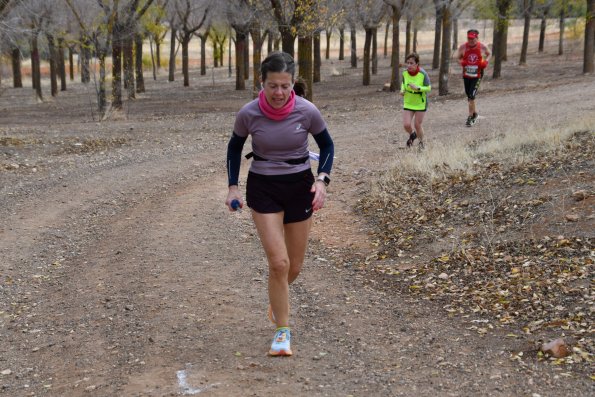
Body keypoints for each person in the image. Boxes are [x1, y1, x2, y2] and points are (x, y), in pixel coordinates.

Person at [225, 51, 334, 357]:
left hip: (300, 185)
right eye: (273, 85)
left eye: (285, 85)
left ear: (292, 83)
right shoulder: (248, 113)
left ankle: (277, 301)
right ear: (262, 83)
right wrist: (233, 187)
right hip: (264, 187)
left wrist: (321, 181)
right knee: (279, 263)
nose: (279, 92)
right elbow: (235, 148)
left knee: (294, 266)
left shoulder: (306, 110)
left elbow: (327, 144)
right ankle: (282, 332)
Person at [457, 29, 490, 127]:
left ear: (477, 38)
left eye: (473, 38)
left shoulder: (482, 47)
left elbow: (489, 54)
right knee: (469, 97)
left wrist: (486, 62)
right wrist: (462, 63)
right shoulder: (463, 47)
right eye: (469, 38)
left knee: (471, 96)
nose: (471, 40)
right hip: (466, 74)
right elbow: (458, 58)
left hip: (478, 75)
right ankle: (475, 114)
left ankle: (470, 118)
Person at [399, 52, 431, 149]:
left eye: (411, 63)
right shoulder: (404, 73)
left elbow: (428, 88)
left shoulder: (423, 74)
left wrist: (418, 88)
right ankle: (412, 134)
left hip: (420, 103)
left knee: (417, 125)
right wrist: (402, 90)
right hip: (408, 101)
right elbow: (403, 84)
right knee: (406, 125)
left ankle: (421, 143)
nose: (409, 65)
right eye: (407, 63)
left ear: (417, 64)